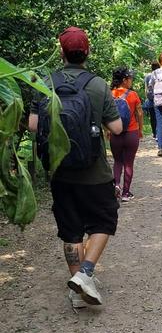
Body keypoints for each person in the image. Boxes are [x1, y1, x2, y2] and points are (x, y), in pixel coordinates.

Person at [28, 26, 123, 309]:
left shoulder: (44, 81)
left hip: (59, 171)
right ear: (87, 52)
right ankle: (86, 273)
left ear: (61, 52)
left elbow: (33, 126)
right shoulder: (97, 85)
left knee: (70, 230)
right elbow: (117, 128)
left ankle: (77, 290)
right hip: (94, 172)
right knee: (103, 222)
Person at [110, 67, 143, 203]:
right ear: (124, 80)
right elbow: (139, 113)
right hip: (131, 133)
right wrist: (140, 129)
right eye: (130, 79)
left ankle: (116, 185)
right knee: (129, 163)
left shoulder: (110, 94)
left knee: (118, 161)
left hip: (115, 133)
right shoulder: (133, 95)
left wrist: (108, 130)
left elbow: (105, 115)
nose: (131, 81)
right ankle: (126, 193)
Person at [144, 61, 160, 139]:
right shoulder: (159, 75)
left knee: (152, 117)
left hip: (150, 99)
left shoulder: (148, 76)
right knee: (159, 116)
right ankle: (158, 132)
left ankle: (154, 133)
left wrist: (146, 98)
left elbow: (146, 89)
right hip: (159, 98)